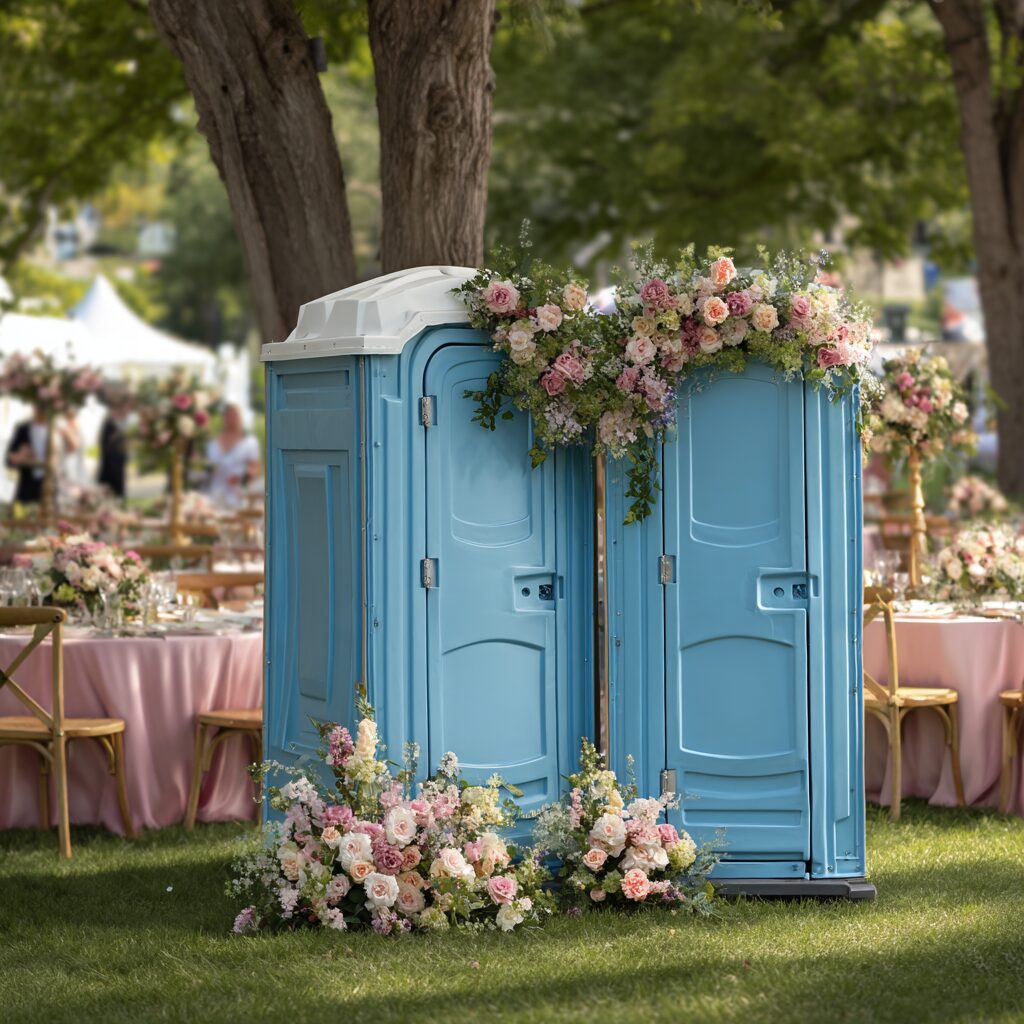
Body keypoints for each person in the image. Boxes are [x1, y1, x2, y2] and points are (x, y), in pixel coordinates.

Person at [204, 403, 260, 507]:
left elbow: (254, 468)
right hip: (213, 497)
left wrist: (242, 477)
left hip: (238, 498)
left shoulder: (250, 443)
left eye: (235, 416)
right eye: (229, 415)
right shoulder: (212, 444)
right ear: (224, 418)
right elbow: (204, 470)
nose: (232, 419)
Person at [5, 405, 49, 504]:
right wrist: (21, 456)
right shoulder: (23, 429)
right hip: (27, 486)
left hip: (51, 488)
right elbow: (9, 460)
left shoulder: (55, 430)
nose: (41, 411)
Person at [98, 400, 130, 498]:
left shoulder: (118, 422)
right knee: (112, 488)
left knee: (118, 487)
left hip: (118, 460)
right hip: (111, 462)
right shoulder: (109, 422)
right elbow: (106, 443)